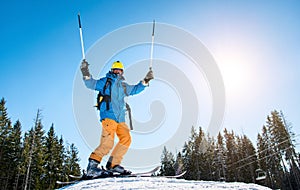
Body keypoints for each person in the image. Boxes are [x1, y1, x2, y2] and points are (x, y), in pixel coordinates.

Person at [80, 59, 154, 178]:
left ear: (122, 72)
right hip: (108, 116)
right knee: (108, 142)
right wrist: (85, 71)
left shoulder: (123, 86)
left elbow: (135, 89)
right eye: (116, 69)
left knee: (126, 139)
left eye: (120, 70)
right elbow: (90, 83)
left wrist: (145, 81)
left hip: (120, 119)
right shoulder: (106, 82)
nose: (118, 72)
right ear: (112, 70)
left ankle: (113, 164)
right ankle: (92, 167)